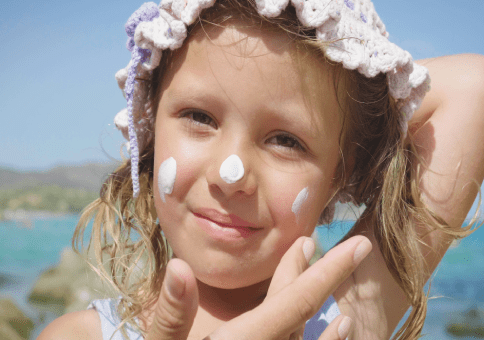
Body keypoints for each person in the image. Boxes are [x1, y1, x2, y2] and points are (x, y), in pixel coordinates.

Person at [38, 0, 484, 339]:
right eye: (200, 117)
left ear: (338, 176)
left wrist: (358, 106)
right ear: (150, 128)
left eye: (286, 140)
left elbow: (474, 89)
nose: (230, 174)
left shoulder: (343, 317)